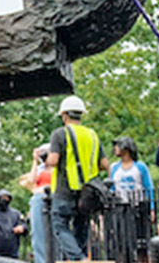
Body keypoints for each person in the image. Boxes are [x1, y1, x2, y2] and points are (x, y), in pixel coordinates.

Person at [48, 96, 105, 261]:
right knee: (82, 228)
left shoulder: (59, 134)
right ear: (81, 115)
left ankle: (79, 259)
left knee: (60, 226)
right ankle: (78, 258)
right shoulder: (92, 135)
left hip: (64, 191)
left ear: (64, 115)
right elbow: (104, 164)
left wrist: (43, 157)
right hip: (86, 193)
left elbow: (53, 161)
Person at [108, 138, 156, 263]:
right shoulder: (114, 168)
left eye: (118, 146)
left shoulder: (140, 167)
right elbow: (112, 188)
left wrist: (151, 208)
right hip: (121, 208)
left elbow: (148, 187)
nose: (115, 149)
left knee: (141, 242)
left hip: (138, 207)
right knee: (122, 241)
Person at [16, 146, 53, 263]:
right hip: (38, 199)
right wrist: (35, 160)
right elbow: (32, 180)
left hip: (53, 199)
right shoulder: (40, 170)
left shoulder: (59, 169)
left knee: (55, 235)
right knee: (38, 235)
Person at [0, 192, 29, 259]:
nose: (4, 199)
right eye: (2, 197)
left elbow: (25, 226)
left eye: (6, 197)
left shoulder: (16, 214)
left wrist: (22, 228)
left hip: (13, 253)